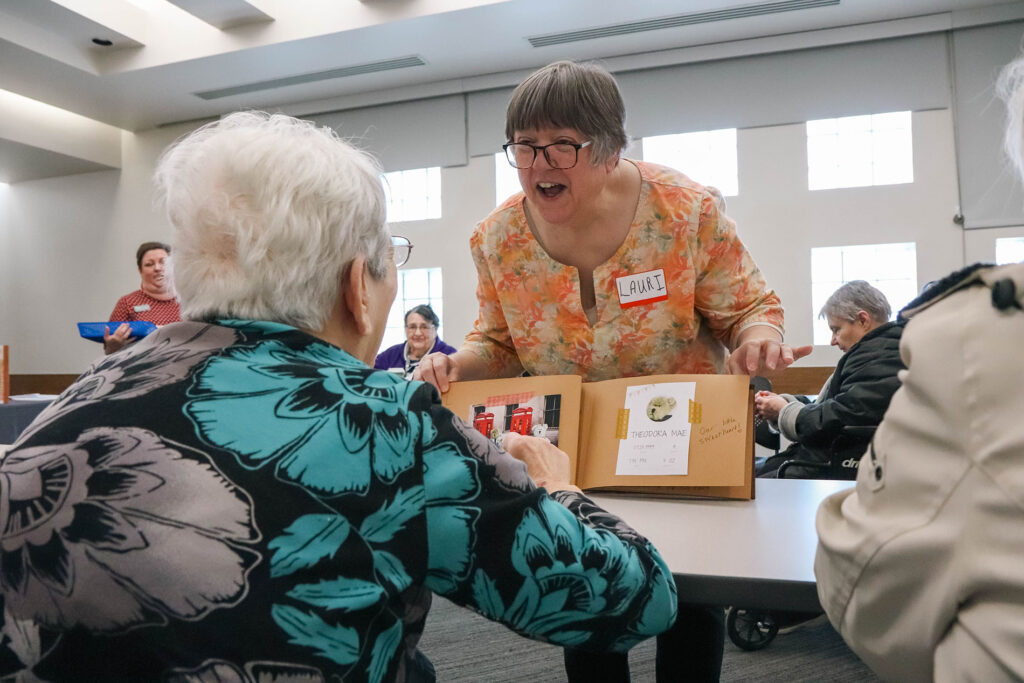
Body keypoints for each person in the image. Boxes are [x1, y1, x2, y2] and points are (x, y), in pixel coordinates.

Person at [0, 111, 678, 682]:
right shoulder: (384, 422)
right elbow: (635, 600)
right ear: (359, 286)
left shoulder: (69, 407)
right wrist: (557, 488)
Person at [414, 60, 811, 682]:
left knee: (689, 604)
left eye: (561, 146)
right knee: (592, 603)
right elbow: (496, 341)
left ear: (609, 149)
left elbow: (752, 308)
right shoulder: (497, 239)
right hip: (575, 457)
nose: (538, 164)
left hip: (684, 444)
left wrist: (760, 339)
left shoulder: (684, 210)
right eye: (524, 146)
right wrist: (453, 362)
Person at [814, 52, 1024, 681]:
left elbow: (864, 588)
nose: (833, 339)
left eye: (836, 327)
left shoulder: (974, 340)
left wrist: (793, 420)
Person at [754, 280, 904, 479]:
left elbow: (839, 417)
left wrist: (783, 410)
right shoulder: (878, 354)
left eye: (836, 329)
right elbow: (837, 405)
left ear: (862, 320)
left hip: (826, 464)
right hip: (824, 458)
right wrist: (785, 404)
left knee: (746, 485)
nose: (832, 341)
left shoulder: (880, 358)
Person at [103, 240, 181, 354]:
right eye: (149, 264)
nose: (157, 268)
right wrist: (114, 346)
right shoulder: (127, 303)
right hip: (142, 369)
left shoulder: (191, 301)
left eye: (163, 262)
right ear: (140, 270)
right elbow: (109, 351)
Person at [375, 304, 457, 378]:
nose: (418, 333)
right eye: (412, 327)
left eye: (424, 327)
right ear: (406, 329)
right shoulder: (390, 355)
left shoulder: (449, 355)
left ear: (435, 329)